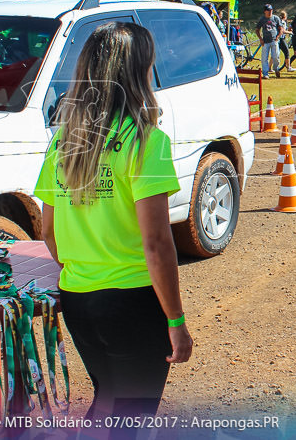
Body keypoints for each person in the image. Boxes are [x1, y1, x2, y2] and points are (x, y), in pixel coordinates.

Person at [34, 22, 192, 425]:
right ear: (138, 71)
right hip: (132, 301)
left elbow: (48, 231)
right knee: (132, 416)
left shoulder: (63, 142)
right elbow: (157, 243)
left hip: (78, 297)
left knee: (106, 401)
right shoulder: (146, 141)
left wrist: (83, 267)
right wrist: (176, 321)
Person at [255, 4, 282, 79]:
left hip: (274, 40)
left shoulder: (275, 18)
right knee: (264, 58)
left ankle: (276, 69)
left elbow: (281, 28)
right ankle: (265, 73)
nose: (270, 12)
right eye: (268, 10)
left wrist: (278, 36)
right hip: (265, 41)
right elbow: (257, 30)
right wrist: (260, 39)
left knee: (275, 56)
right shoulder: (262, 19)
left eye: (271, 10)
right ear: (265, 11)